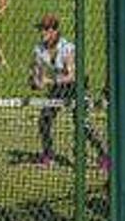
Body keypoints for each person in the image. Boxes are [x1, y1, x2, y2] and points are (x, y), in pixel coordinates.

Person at [29, 13, 109, 169]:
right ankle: (48, 154)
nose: (42, 33)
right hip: (58, 88)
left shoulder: (67, 48)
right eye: (41, 29)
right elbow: (37, 73)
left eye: (45, 29)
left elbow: (72, 76)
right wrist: (35, 81)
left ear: (54, 31)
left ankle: (104, 155)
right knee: (44, 119)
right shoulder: (38, 49)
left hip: (77, 87)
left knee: (82, 124)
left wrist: (48, 81)